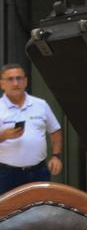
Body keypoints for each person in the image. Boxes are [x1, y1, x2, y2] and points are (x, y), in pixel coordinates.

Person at [0, 63, 63, 194]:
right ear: (2, 83)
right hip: (6, 174)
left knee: (40, 211)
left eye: (19, 78)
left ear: (26, 81)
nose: (16, 83)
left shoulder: (40, 104)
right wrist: (4, 136)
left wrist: (56, 156)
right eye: (10, 79)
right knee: (7, 213)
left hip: (39, 171)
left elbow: (55, 131)